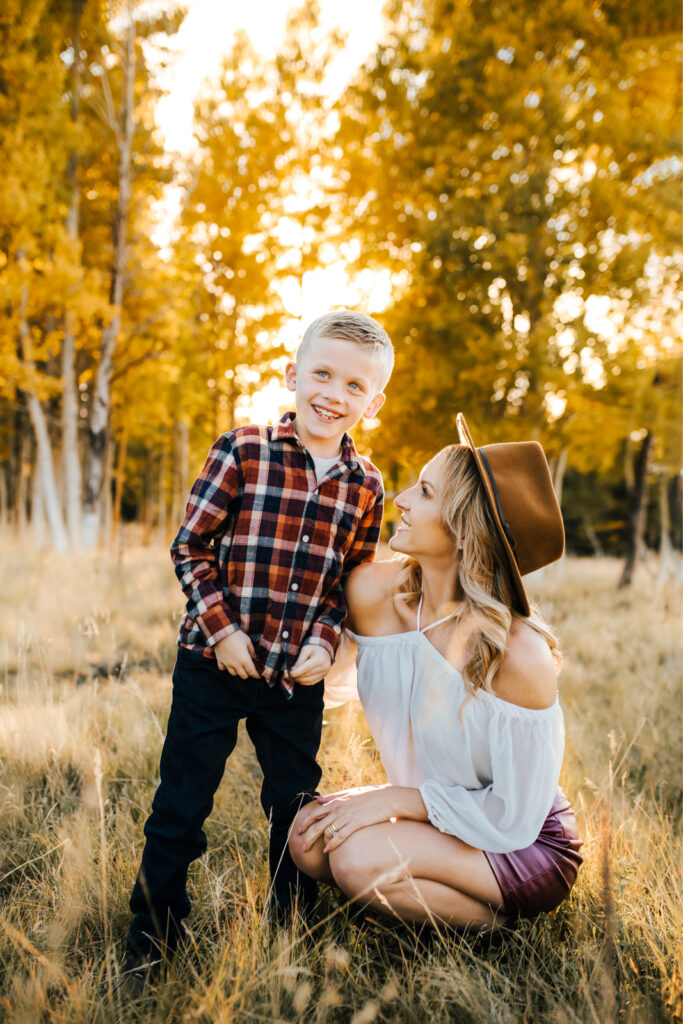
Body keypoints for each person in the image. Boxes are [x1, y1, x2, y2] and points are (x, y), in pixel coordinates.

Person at [125, 311, 394, 974]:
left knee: (294, 807)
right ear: (291, 374)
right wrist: (221, 632)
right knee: (181, 804)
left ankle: (290, 934)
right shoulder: (242, 450)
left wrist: (325, 641)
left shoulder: (366, 486)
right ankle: (151, 939)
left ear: (375, 401)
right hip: (214, 665)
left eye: (355, 385)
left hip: (292, 682)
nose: (334, 393)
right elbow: (190, 545)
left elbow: (348, 584)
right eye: (322, 373)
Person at [290, 414, 582, 929]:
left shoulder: (517, 653)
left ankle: (498, 930)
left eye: (424, 491)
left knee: (355, 859)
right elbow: (325, 680)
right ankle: (399, 888)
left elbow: (513, 816)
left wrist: (393, 801)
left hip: (521, 840)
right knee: (308, 841)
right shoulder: (375, 594)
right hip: (438, 813)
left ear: (466, 528)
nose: (400, 498)